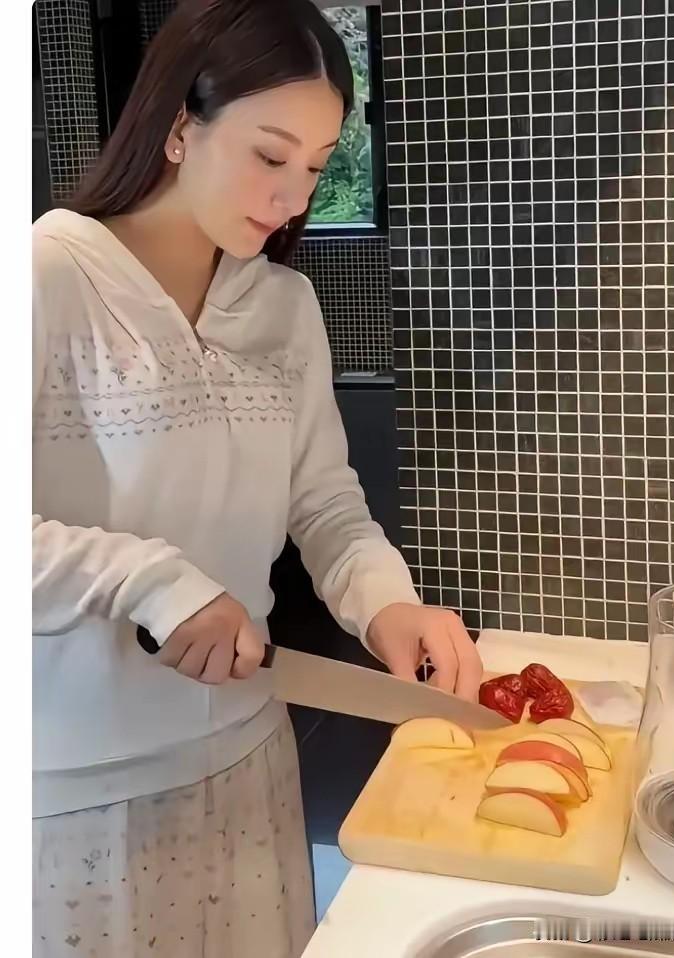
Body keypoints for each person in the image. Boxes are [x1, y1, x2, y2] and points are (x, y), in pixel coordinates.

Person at [32, 1, 485, 954]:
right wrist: (150, 580)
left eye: (315, 168)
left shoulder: (284, 304)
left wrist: (388, 605)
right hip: (71, 798)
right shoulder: (44, 278)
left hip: (248, 761)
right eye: (270, 155)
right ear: (180, 124)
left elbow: (325, 503)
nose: (290, 197)